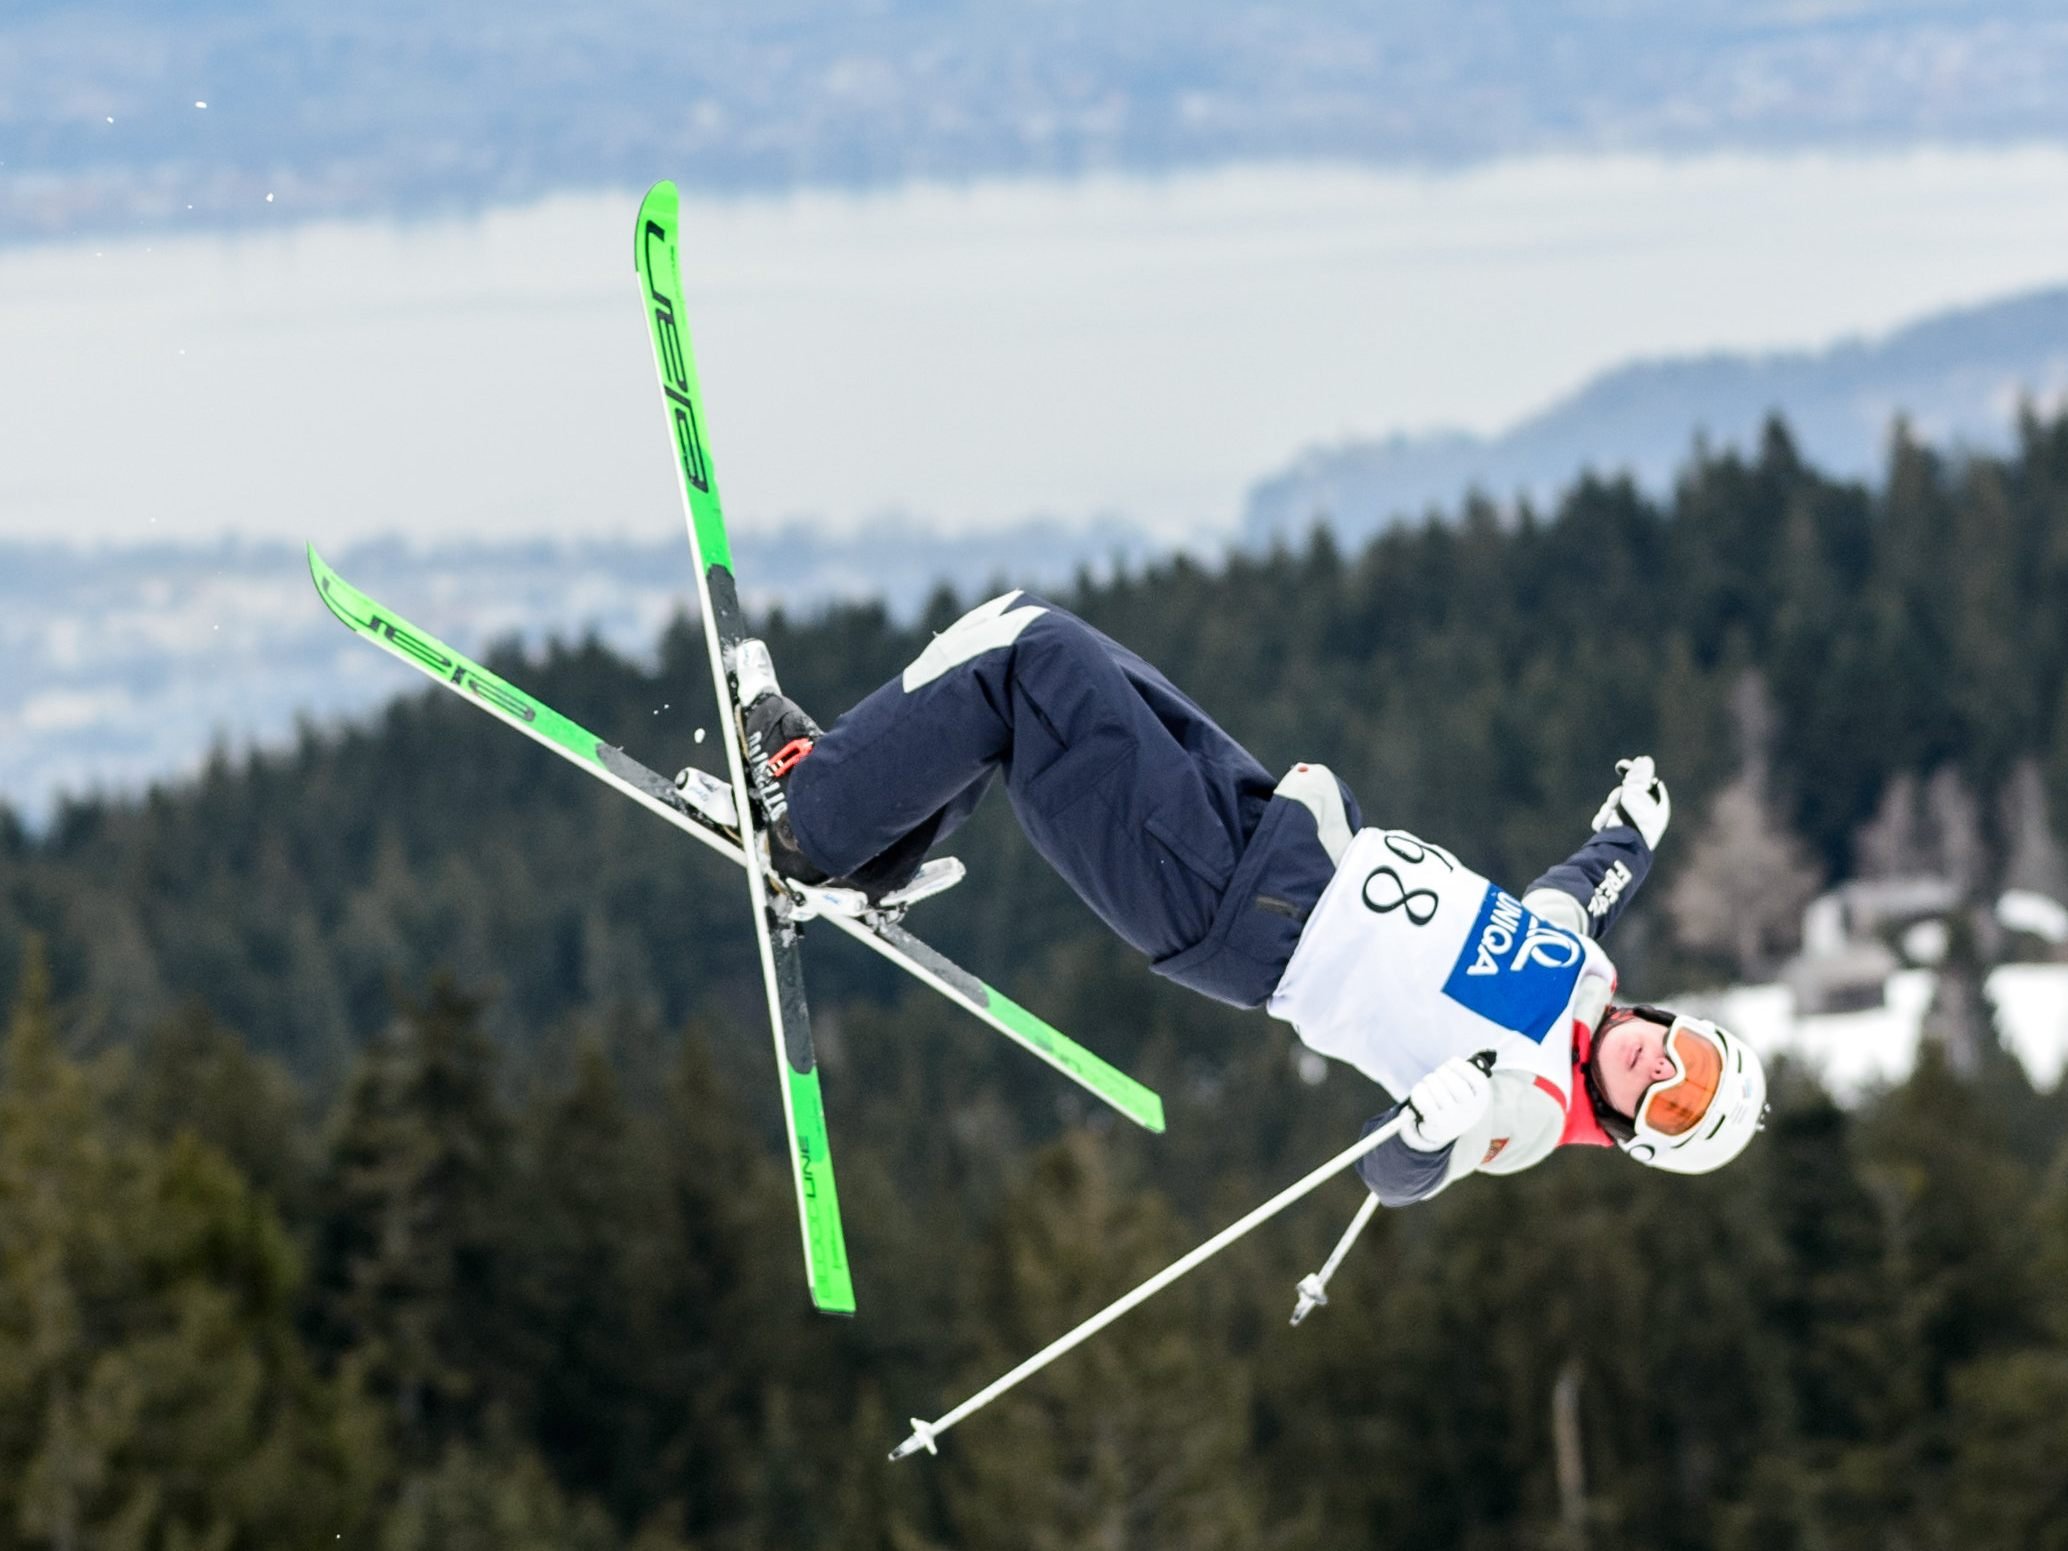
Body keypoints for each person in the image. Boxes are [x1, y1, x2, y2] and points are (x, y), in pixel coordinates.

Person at [711, 589, 1767, 1207]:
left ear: (1636, 1133)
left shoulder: (1531, 1105)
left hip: (1234, 910)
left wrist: (1432, 1131)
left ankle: (812, 820)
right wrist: (1632, 830)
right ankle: (863, 839)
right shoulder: (1581, 978)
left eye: (1671, 1100)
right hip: (1271, 832)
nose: (1661, 1064)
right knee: (1034, 668)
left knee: (1021, 654)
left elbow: (1398, 1176)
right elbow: (1578, 894)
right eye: (1694, 1054)